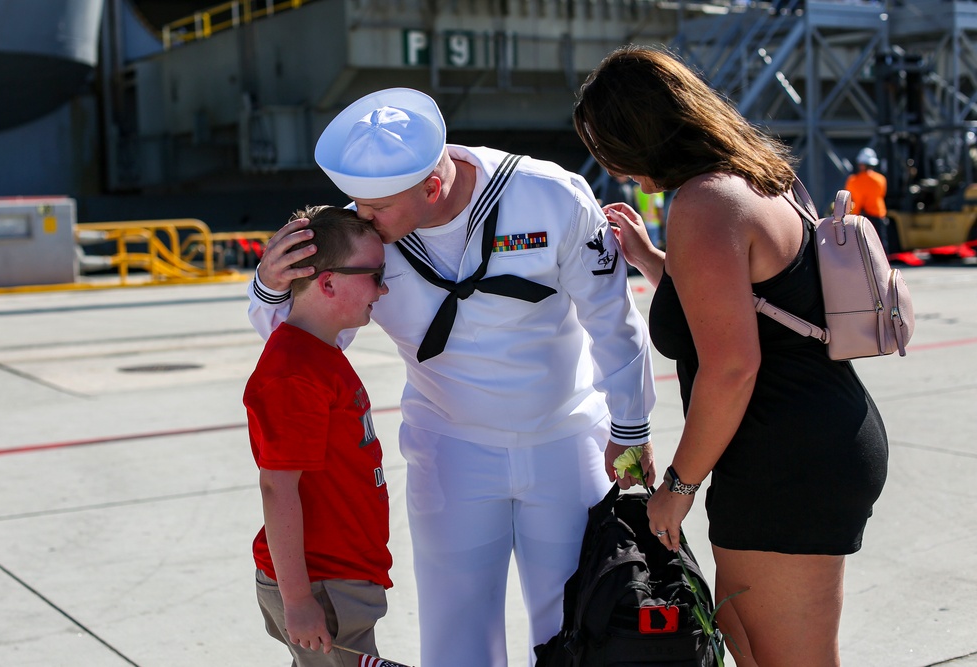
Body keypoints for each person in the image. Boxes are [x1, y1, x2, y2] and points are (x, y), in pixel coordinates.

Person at [247, 87, 658, 667]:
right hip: (452, 451)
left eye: (375, 208)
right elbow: (304, 339)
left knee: (578, 623)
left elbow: (612, 317)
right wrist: (269, 284)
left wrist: (632, 424)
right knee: (455, 634)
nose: (362, 219)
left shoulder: (548, 195)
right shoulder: (369, 240)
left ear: (432, 186)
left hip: (564, 441)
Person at [573, 47, 888, 667]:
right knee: (750, 647)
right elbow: (743, 302)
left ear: (638, 136)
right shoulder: (756, 179)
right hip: (794, 444)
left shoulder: (704, 203)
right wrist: (650, 258)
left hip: (786, 461)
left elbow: (732, 366)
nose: (615, 167)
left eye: (610, 148)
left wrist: (677, 488)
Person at [244, 205, 392, 667]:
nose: (383, 289)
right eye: (374, 275)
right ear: (328, 283)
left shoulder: (319, 353)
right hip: (323, 585)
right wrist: (298, 601)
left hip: (338, 575)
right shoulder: (295, 373)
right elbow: (277, 486)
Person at [845, 146, 891, 254]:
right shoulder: (880, 179)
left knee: (860, 244)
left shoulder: (853, 181)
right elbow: (882, 193)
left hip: (858, 216)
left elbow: (851, 198)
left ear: (861, 164)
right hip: (877, 214)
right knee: (880, 242)